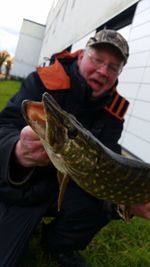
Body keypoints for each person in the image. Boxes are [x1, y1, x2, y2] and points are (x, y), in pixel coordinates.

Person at [0, 29, 149, 267]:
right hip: (22, 185)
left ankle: (58, 243)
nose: (103, 70)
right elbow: (4, 126)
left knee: (99, 205)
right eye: (97, 60)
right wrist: (17, 151)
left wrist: (129, 200)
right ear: (81, 57)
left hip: (69, 184)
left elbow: (108, 166)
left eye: (113, 67)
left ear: (119, 73)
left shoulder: (114, 111)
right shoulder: (43, 80)